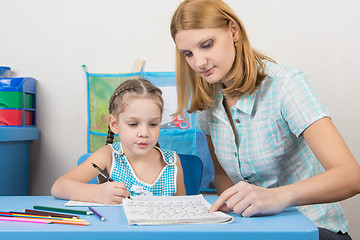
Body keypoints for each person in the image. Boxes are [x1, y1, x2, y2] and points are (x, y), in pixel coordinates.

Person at [170, 0, 360, 239]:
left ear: (233, 31)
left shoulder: (285, 85)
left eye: (206, 45)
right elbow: (223, 177)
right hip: (257, 231)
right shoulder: (209, 103)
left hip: (313, 228)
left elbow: (351, 176)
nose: (198, 63)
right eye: (188, 53)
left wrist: (277, 197)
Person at [51, 78, 186, 204]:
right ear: (114, 124)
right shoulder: (108, 156)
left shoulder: (172, 162)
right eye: (133, 124)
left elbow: (184, 209)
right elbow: (59, 187)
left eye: (153, 124)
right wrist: (98, 193)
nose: (145, 133)